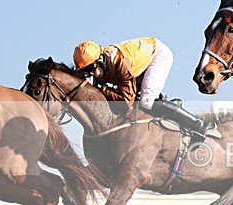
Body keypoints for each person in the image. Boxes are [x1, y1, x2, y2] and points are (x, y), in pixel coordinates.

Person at [73, 37, 210, 140]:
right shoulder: (99, 65)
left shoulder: (120, 63)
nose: (91, 73)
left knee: (146, 101)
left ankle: (197, 124)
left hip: (158, 55)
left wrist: (100, 87)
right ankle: (168, 106)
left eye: (91, 68)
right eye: (85, 71)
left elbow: (126, 102)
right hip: (137, 64)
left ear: (100, 60)